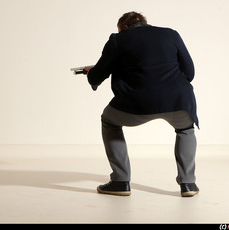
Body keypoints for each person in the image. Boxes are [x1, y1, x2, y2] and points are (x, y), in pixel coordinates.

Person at [84, 11, 199, 197]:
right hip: (179, 101)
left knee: (109, 120)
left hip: (137, 103)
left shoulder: (118, 40)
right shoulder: (171, 34)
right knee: (186, 129)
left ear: (124, 27)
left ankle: (120, 181)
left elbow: (98, 76)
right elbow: (190, 72)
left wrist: (91, 72)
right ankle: (189, 185)